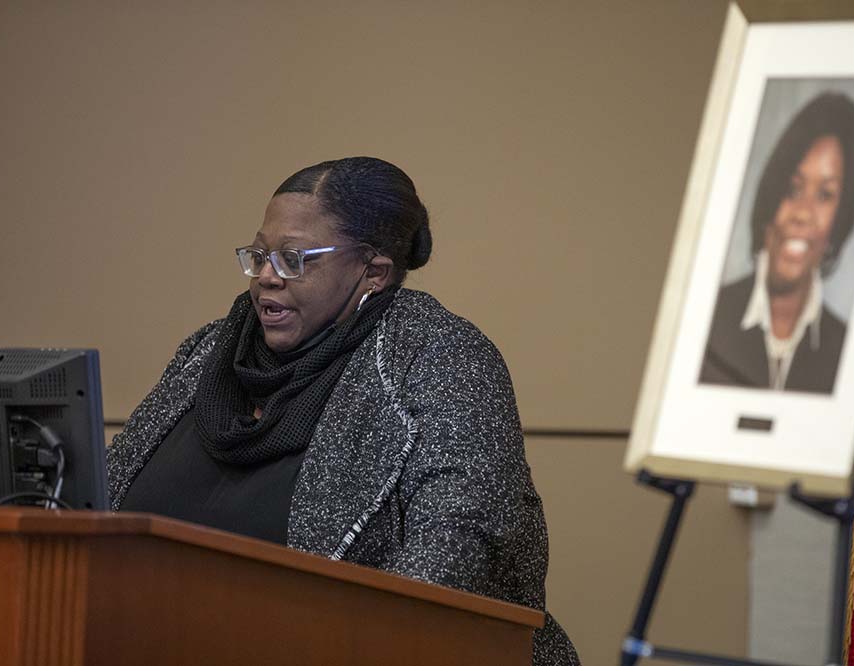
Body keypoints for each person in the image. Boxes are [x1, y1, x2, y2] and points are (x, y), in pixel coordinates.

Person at [106, 156, 580, 664]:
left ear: (372, 271)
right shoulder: (209, 351)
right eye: (259, 255)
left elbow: (461, 540)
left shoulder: (438, 354)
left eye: (294, 259)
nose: (267, 276)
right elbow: (100, 494)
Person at [700, 92, 854, 393]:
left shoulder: (851, 352)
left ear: (841, 217)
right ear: (771, 195)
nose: (802, 213)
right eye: (792, 189)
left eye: (825, 195)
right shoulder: (705, 321)